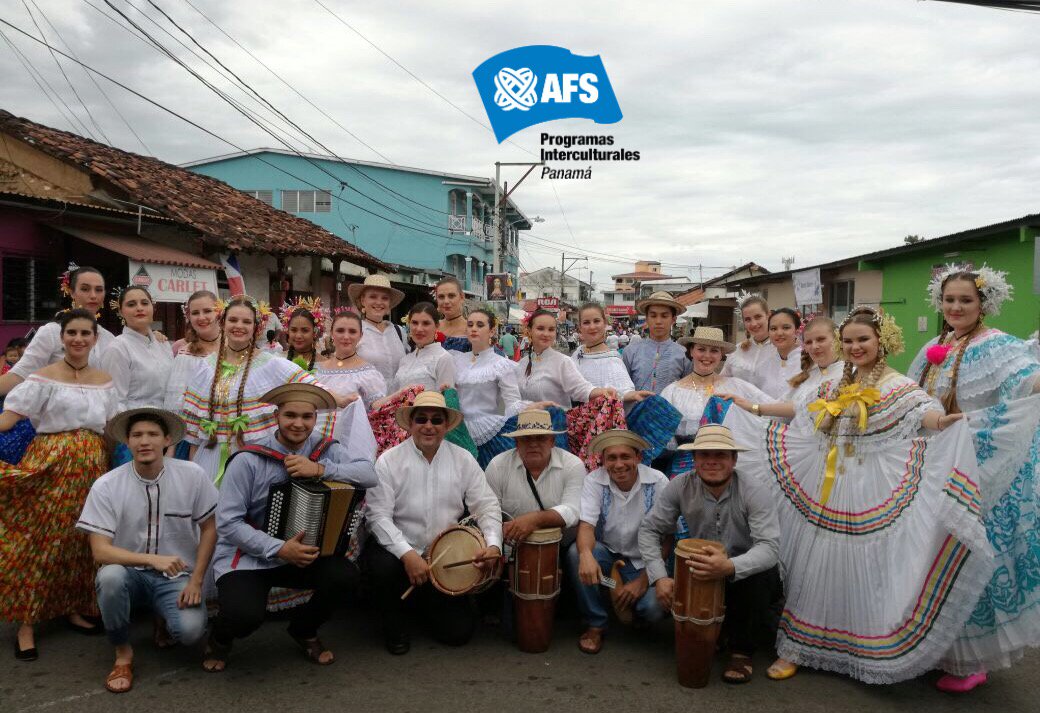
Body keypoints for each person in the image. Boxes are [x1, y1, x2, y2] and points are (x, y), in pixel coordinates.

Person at [736, 306, 993, 684]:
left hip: (869, 488)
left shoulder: (894, 384)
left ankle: (858, 649)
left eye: (863, 340)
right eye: (849, 341)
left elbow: (920, 410)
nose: (855, 347)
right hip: (829, 487)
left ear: (881, 342)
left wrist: (942, 422)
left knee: (864, 564)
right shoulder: (839, 381)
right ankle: (798, 647)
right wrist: (754, 409)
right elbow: (801, 408)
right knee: (819, 562)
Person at [908, 266, 1040, 692]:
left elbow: (1027, 385)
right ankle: (937, 648)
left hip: (980, 468)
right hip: (937, 464)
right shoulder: (935, 345)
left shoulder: (998, 345)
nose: (956, 307)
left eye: (966, 300)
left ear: (984, 303)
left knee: (970, 554)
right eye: (949, 300)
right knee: (933, 556)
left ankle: (972, 661)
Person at [202, 383, 377, 672]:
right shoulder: (248, 459)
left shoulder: (325, 449)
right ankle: (220, 638)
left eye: (307, 416)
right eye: (290, 415)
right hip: (248, 556)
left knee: (345, 577)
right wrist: (279, 548)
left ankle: (303, 629)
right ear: (276, 417)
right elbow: (228, 523)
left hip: (301, 553)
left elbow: (369, 474)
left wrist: (321, 469)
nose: (298, 423)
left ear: (315, 418)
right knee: (244, 616)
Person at [1, 309, 118, 660]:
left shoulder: (105, 381)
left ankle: (73, 607)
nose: (78, 339)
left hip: (92, 469)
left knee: (80, 541)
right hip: (50, 467)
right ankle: (26, 624)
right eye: (72, 333)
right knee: (41, 541)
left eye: (85, 333)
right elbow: (9, 418)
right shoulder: (43, 377)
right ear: (62, 337)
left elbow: (110, 429)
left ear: (94, 339)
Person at [78, 408, 218, 693]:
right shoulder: (107, 485)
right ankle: (122, 652)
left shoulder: (192, 474)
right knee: (110, 578)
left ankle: (162, 618)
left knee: (190, 632)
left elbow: (210, 528)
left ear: (167, 440)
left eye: (153, 434)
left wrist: (196, 580)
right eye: (137, 435)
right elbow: (100, 552)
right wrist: (153, 560)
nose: (144, 441)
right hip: (129, 574)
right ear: (127, 441)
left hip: (177, 576)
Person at [638, 424, 782, 684]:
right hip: (702, 567)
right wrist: (659, 577)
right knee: (655, 606)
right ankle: (714, 632)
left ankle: (741, 651)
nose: (711, 461)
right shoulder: (680, 485)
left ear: (734, 460)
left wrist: (729, 566)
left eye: (720, 455)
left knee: (760, 575)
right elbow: (650, 529)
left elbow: (769, 548)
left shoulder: (754, 490)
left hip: (744, 570)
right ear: (694, 459)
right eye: (704, 454)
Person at [364, 391, 502, 654]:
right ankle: (394, 620)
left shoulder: (463, 458)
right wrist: (408, 555)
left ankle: (423, 601)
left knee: (458, 634)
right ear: (411, 423)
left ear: (446, 426)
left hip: (444, 558)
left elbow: (486, 505)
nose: (429, 426)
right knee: (382, 566)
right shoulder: (388, 461)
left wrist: (494, 544)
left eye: (437, 420)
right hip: (399, 553)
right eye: (422, 419)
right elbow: (377, 517)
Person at [181, 296, 334, 486]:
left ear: (256, 327)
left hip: (255, 457)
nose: (239, 326)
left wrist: (345, 399)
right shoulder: (204, 367)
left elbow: (312, 387)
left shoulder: (271, 364)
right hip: (210, 458)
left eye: (246, 321)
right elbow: (195, 436)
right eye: (233, 320)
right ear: (222, 322)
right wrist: (193, 475)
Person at [569, 430, 668, 654]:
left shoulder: (657, 481)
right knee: (577, 554)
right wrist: (586, 556)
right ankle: (596, 622)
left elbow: (667, 536)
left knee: (651, 608)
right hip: (608, 555)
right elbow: (586, 526)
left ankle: (633, 606)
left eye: (626, 456)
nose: (619, 464)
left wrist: (643, 580)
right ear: (603, 460)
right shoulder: (595, 480)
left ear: (638, 457)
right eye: (611, 458)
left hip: (645, 561)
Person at [661, 327, 772, 477]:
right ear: (691, 351)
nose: (707, 356)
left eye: (714, 351)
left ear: (721, 355)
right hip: (684, 470)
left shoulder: (736, 387)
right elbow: (663, 441)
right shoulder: (672, 392)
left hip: (727, 468)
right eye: (701, 349)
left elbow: (773, 408)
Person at [0, 265, 115, 397]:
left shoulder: (109, 339)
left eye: (99, 290)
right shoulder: (52, 332)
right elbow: (19, 374)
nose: (93, 296)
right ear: (72, 292)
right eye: (85, 289)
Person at [485, 409, 585, 544]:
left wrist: (535, 519)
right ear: (516, 442)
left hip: (563, 545)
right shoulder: (497, 466)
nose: (533, 444)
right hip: (513, 546)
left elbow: (573, 511)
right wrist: (495, 546)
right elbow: (489, 513)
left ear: (552, 441)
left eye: (540, 437)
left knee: (576, 554)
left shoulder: (573, 465)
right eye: (526, 438)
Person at [722, 316, 843, 427]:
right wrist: (745, 404)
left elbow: (799, 408)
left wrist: (753, 407)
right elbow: (780, 404)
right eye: (809, 342)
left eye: (821, 339)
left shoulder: (846, 374)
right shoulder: (808, 375)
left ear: (838, 339)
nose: (814, 346)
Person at [101, 286, 175, 466]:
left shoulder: (163, 345)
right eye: (131, 304)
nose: (139, 308)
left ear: (153, 307)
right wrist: (133, 436)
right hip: (134, 437)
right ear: (121, 311)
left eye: (144, 303)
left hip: (165, 434)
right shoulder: (117, 348)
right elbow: (115, 401)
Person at [452, 307, 526, 468]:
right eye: (470, 325)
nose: (474, 329)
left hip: (492, 432)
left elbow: (512, 401)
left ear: (492, 331)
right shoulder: (456, 360)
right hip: (460, 433)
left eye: (480, 325)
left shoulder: (501, 364)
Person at [164, 291, 223, 458]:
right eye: (195, 313)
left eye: (207, 311)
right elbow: (176, 404)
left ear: (218, 312)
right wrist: (170, 450)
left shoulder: (234, 347)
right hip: (194, 437)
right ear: (189, 317)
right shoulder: (186, 354)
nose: (201, 317)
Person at [622, 291, 691, 395]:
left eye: (664, 316)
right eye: (653, 316)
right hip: (637, 406)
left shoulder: (684, 354)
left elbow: (687, 390)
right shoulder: (630, 351)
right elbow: (623, 388)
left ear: (673, 319)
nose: (658, 321)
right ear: (647, 318)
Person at [351, 275, 409, 382]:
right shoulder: (354, 331)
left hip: (400, 392)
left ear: (389, 303)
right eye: (373, 297)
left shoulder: (399, 331)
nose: (379, 302)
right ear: (363, 300)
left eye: (384, 298)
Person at [720, 295, 774, 389]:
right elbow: (722, 381)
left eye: (758, 317)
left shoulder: (781, 350)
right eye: (748, 319)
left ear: (768, 316)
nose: (753, 324)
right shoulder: (737, 350)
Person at [756, 308, 804, 400]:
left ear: (797, 331)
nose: (779, 333)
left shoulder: (809, 362)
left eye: (786, 327)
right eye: (773, 329)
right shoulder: (763, 364)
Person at [279, 298, 328, 372]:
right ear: (288, 331)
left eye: (305, 330)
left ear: (314, 332)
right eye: (294, 330)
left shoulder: (326, 365)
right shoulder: (278, 360)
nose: (298, 336)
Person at [435, 276, 470, 354]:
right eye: (441, 297)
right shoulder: (431, 327)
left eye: (451, 296)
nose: (446, 301)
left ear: (462, 297)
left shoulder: (473, 330)